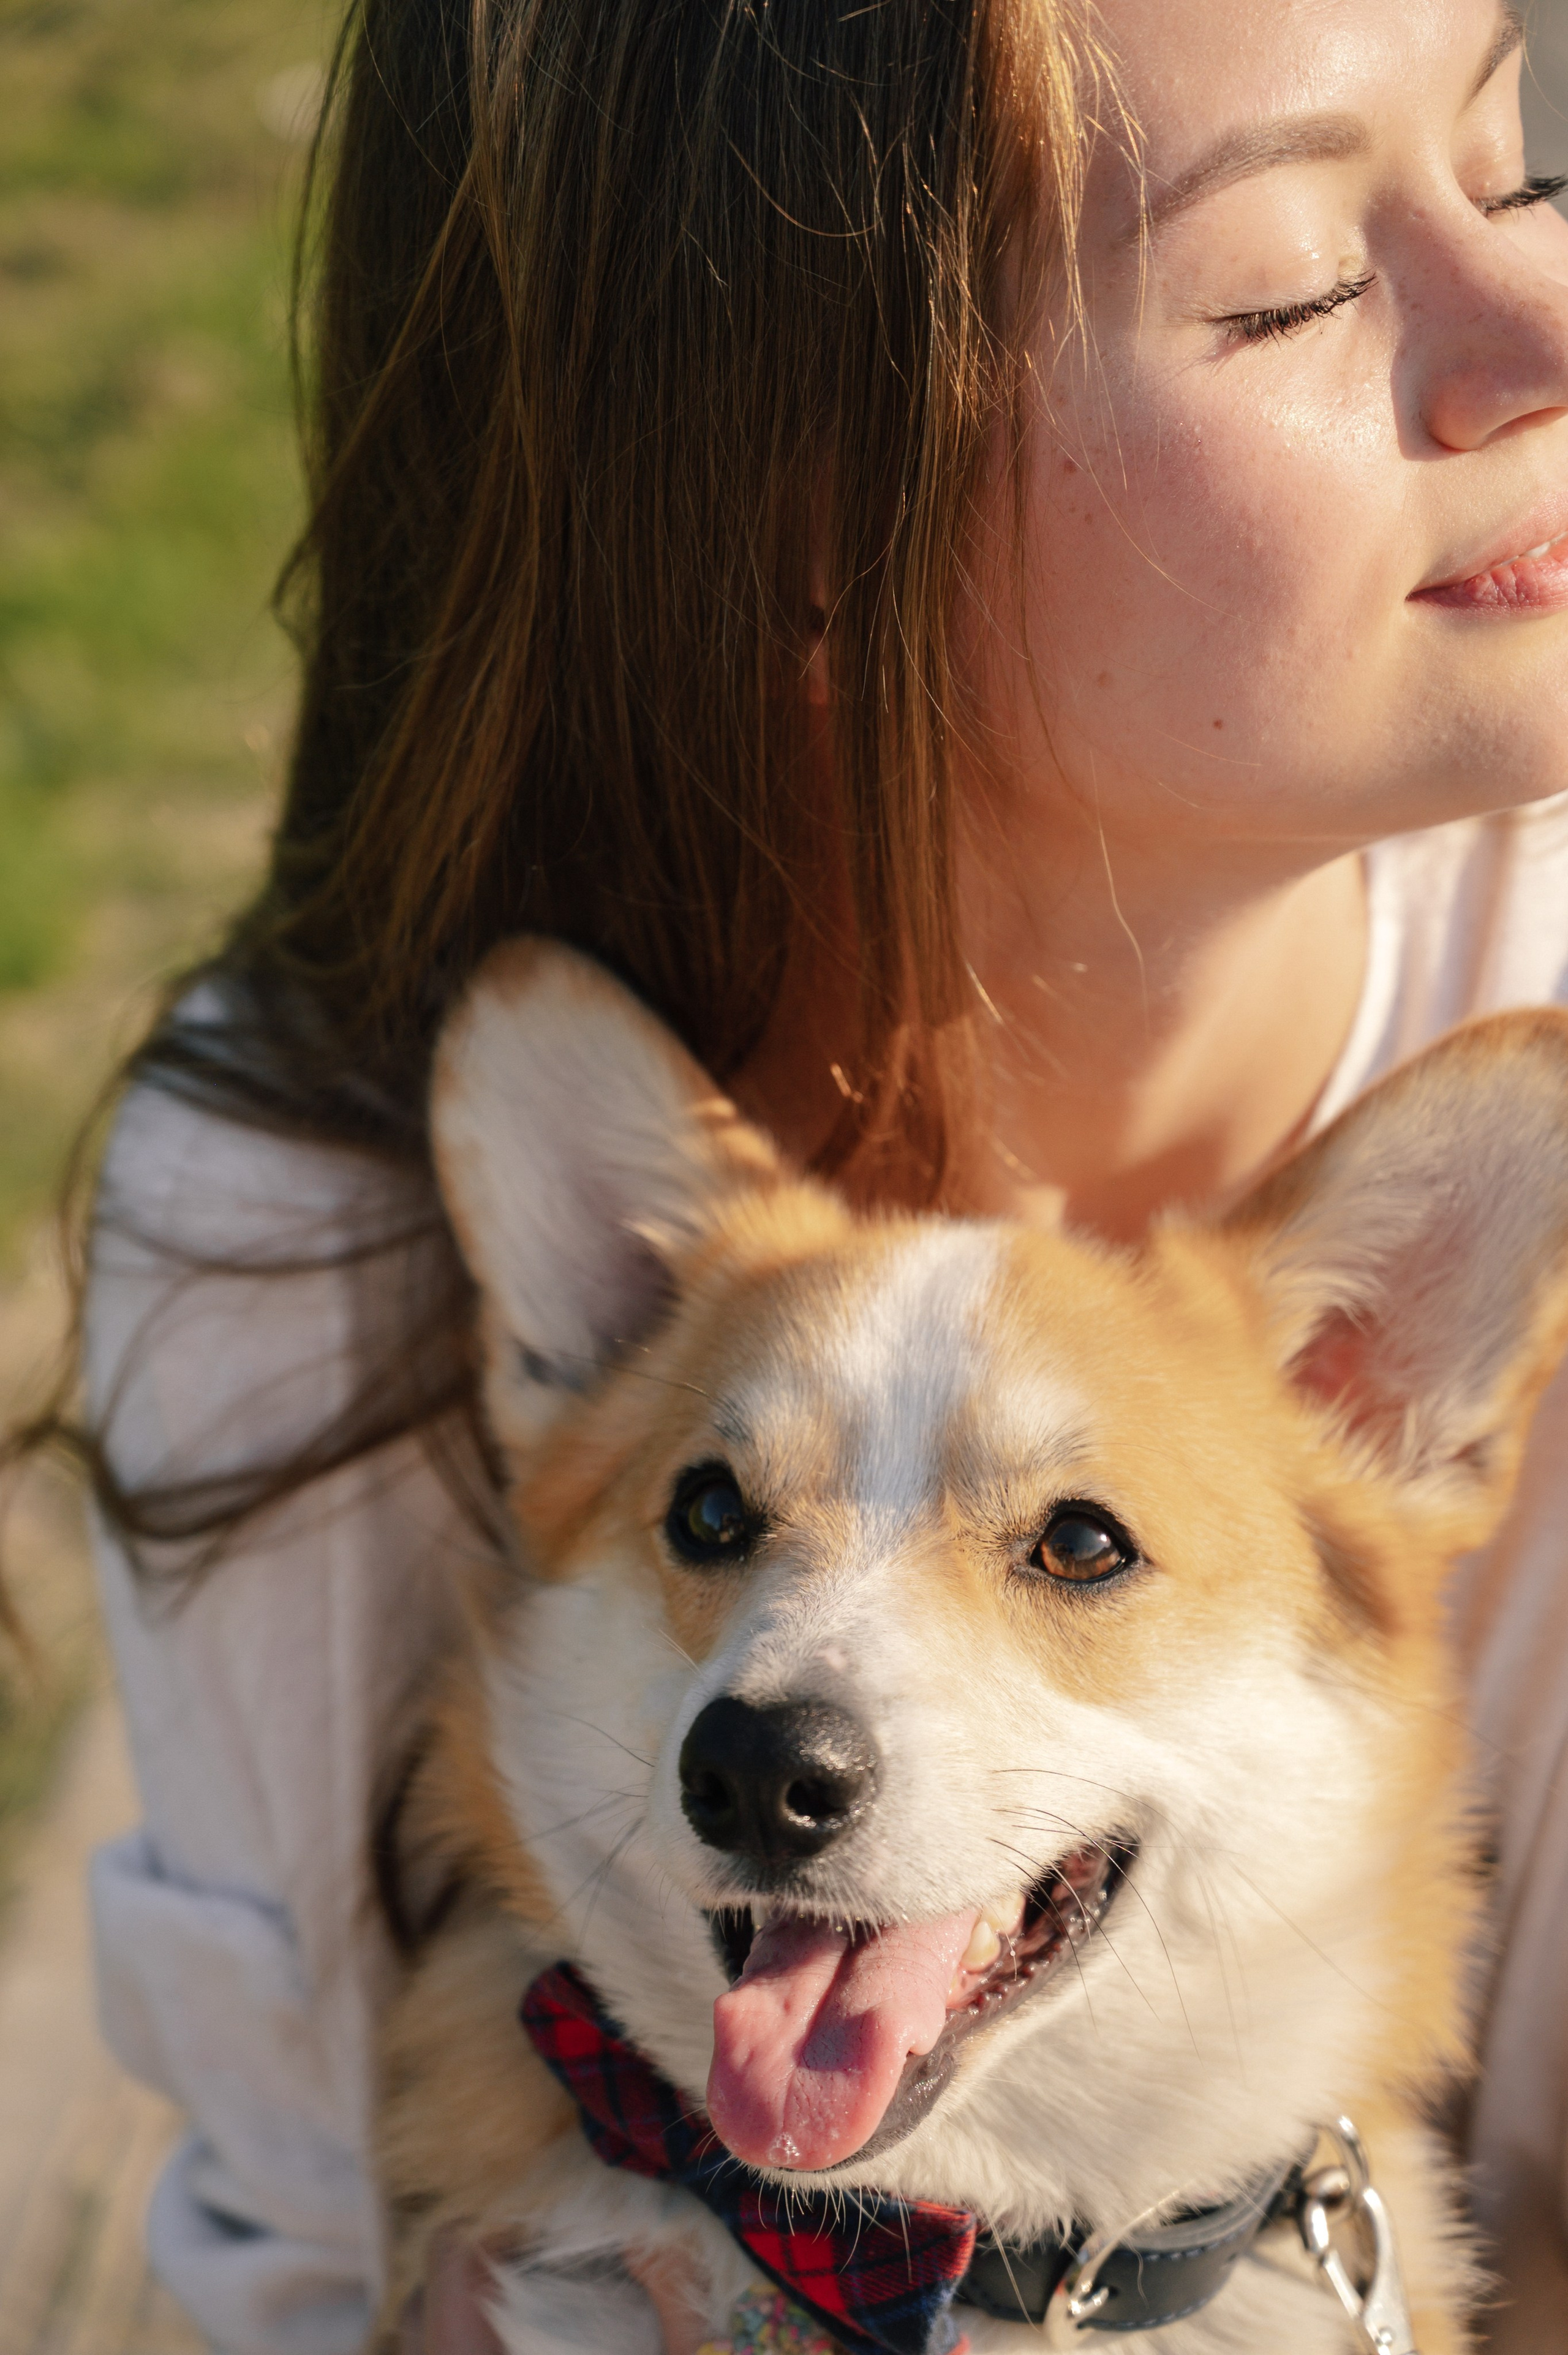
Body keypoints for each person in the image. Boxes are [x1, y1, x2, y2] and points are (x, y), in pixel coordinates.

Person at [45, 0, 1568, 2345]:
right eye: (1285, 283)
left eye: (1515, 158)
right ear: (792, 500)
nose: (1551, 320)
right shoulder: (292, 1228)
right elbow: (282, 2248)